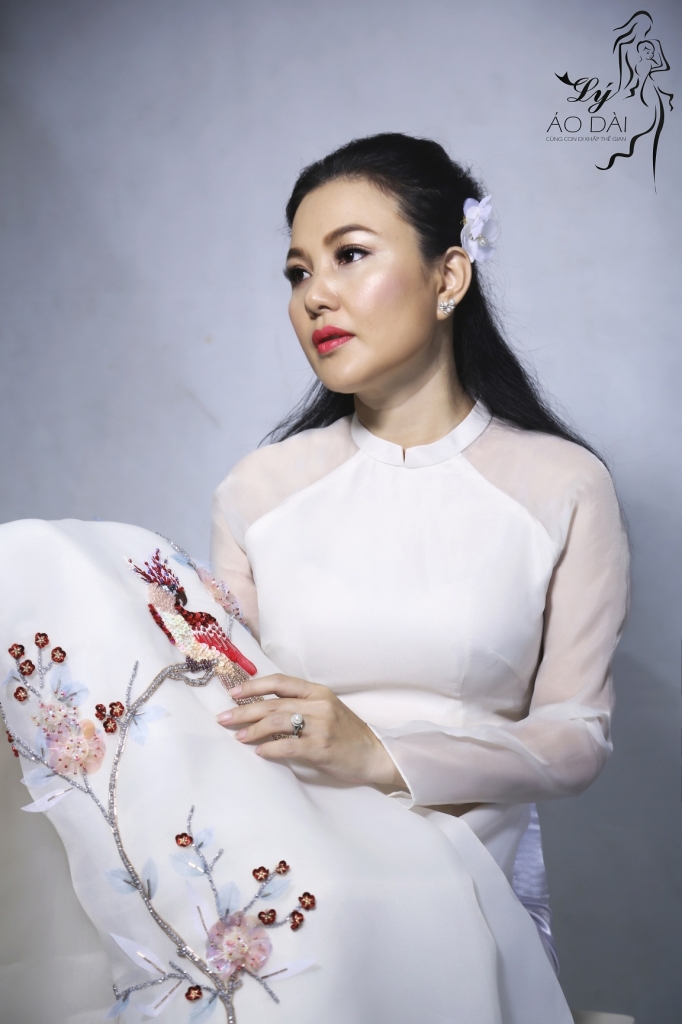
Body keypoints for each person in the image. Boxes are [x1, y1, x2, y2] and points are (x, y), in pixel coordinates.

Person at [209, 133, 629, 1017]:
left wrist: (378, 753)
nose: (314, 294)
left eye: (350, 255)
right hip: (291, 872)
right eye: (297, 271)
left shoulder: (562, 485)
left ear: (449, 277)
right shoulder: (259, 489)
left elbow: (575, 736)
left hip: (465, 873)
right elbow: (223, 711)